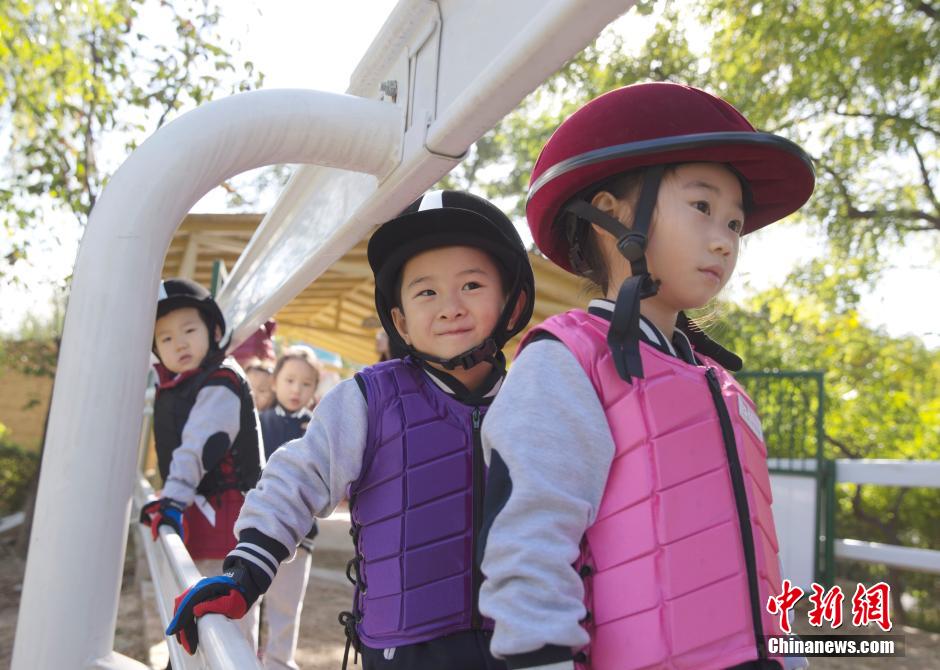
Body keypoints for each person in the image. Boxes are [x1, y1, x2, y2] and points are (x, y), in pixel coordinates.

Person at [477, 82, 816, 670]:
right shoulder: (567, 361)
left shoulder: (724, 385)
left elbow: (760, 553)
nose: (724, 240)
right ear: (611, 215)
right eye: (703, 207)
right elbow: (528, 549)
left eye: (736, 224)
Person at [165, 190, 535, 670]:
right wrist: (246, 571)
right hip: (405, 649)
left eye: (471, 285)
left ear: (512, 301)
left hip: (523, 641)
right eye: (426, 291)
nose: (449, 307)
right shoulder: (367, 399)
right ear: (398, 318)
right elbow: (297, 478)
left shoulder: (535, 403)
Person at [140, 277, 264, 648]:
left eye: (189, 329)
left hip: (225, 519)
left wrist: (173, 499)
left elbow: (199, 447)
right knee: (192, 608)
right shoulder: (174, 387)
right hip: (198, 514)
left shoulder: (220, 381)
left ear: (212, 330)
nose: (178, 342)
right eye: (165, 338)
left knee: (223, 618)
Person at [257, 346, 321, 670]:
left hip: (298, 538)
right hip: (256, 534)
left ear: (314, 389)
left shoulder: (319, 429)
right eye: (290, 380)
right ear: (276, 381)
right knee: (247, 607)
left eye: (306, 383)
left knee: (285, 610)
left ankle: (279, 664)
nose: (297, 389)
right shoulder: (257, 422)